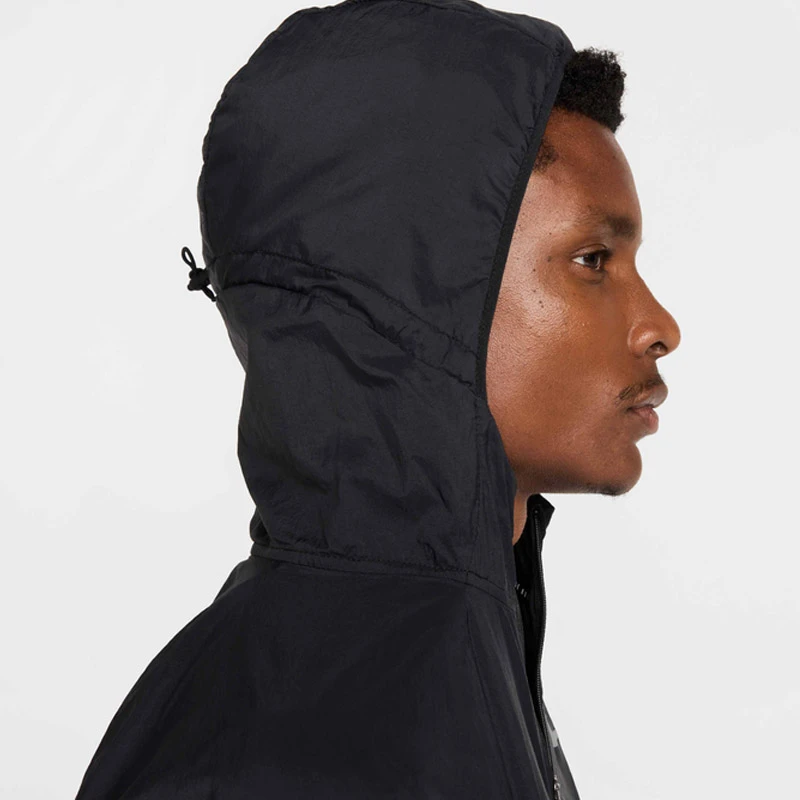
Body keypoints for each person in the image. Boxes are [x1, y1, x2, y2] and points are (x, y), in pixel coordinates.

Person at [75, 1, 680, 798]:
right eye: (594, 260)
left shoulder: (427, 652)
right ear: (414, 291)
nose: (660, 327)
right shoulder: (294, 745)